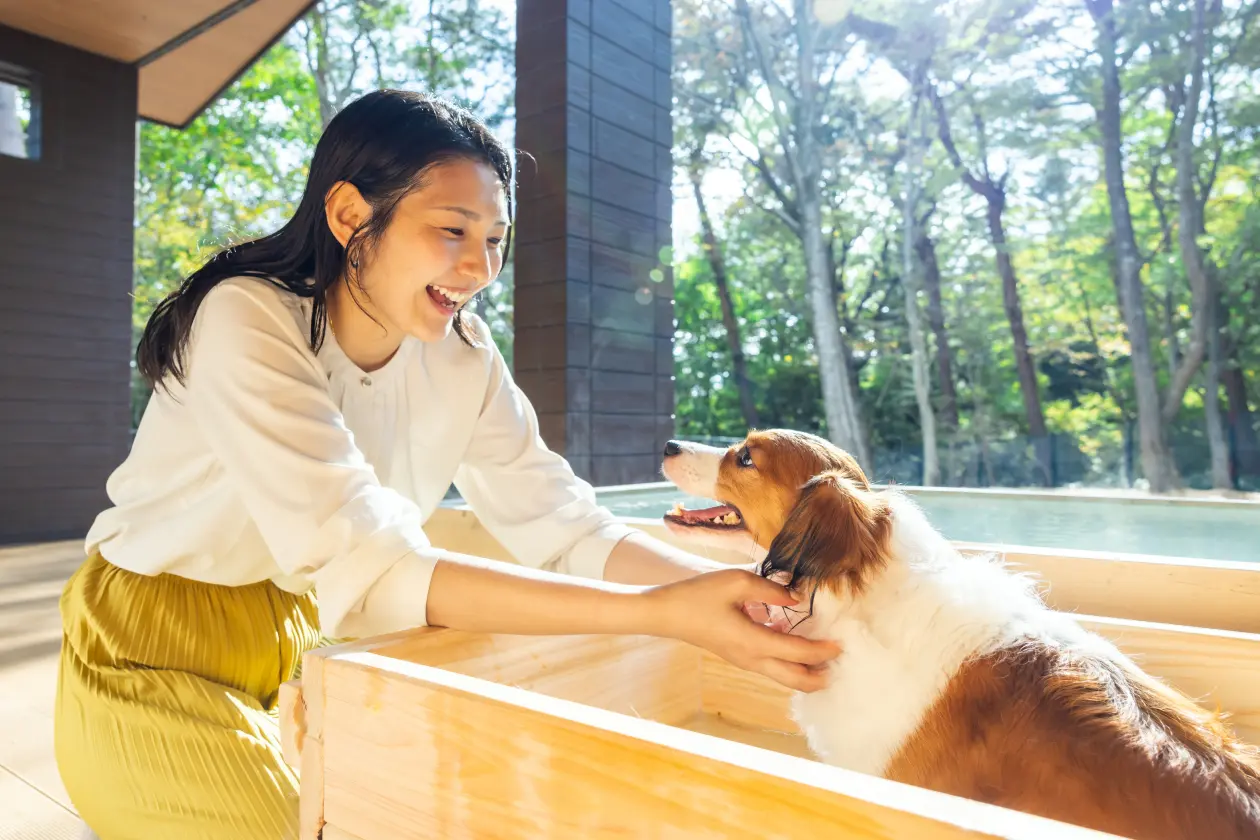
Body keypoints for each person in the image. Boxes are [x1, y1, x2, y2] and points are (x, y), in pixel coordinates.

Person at [53, 89, 838, 840]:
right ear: (350, 213)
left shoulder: (463, 355)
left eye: (494, 240)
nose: (480, 267)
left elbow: (563, 526)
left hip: (300, 633)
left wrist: (748, 604)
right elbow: (375, 566)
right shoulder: (246, 315)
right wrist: (659, 613)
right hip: (147, 648)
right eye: (453, 231)